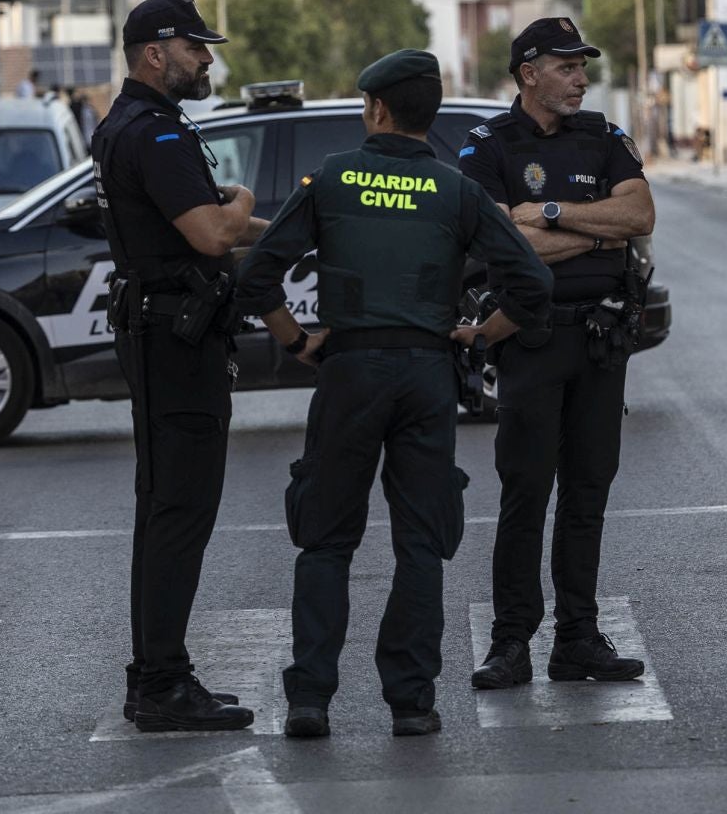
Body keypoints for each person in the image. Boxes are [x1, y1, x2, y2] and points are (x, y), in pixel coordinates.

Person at [234, 50, 551, 739]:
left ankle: (311, 700)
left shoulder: (332, 180)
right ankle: (412, 702)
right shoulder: (456, 190)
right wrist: (479, 336)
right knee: (419, 542)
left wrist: (297, 342)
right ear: (428, 114)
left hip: (350, 372)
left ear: (376, 109)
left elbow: (257, 277)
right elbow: (532, 286)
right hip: (427, 374)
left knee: (325, 540)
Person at [458, 17, 657, 693]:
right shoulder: (488, 146)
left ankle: (577, 638)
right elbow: (497, 246)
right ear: (528, 75)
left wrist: (542, 214)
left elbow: (638, 218)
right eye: (567, 67)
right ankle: (511, 641)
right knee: (525, 493)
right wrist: (590, 229)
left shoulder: (601, 136)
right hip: (532, 338)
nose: (580, 79)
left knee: (588, 493)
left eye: (582, 67)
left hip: (602, 339)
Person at [92, 0, 264, 733]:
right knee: (177, 513)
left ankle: (159, 674)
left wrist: (291, 228)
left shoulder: (141, 125)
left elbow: (222, 224)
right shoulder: (154, 134)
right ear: (155, 52)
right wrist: (249, 202)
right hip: (174, 341)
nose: (207, 60)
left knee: (170, 511)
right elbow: (209, 233)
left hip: (170, 336)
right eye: (196, 48)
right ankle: (160, 683)